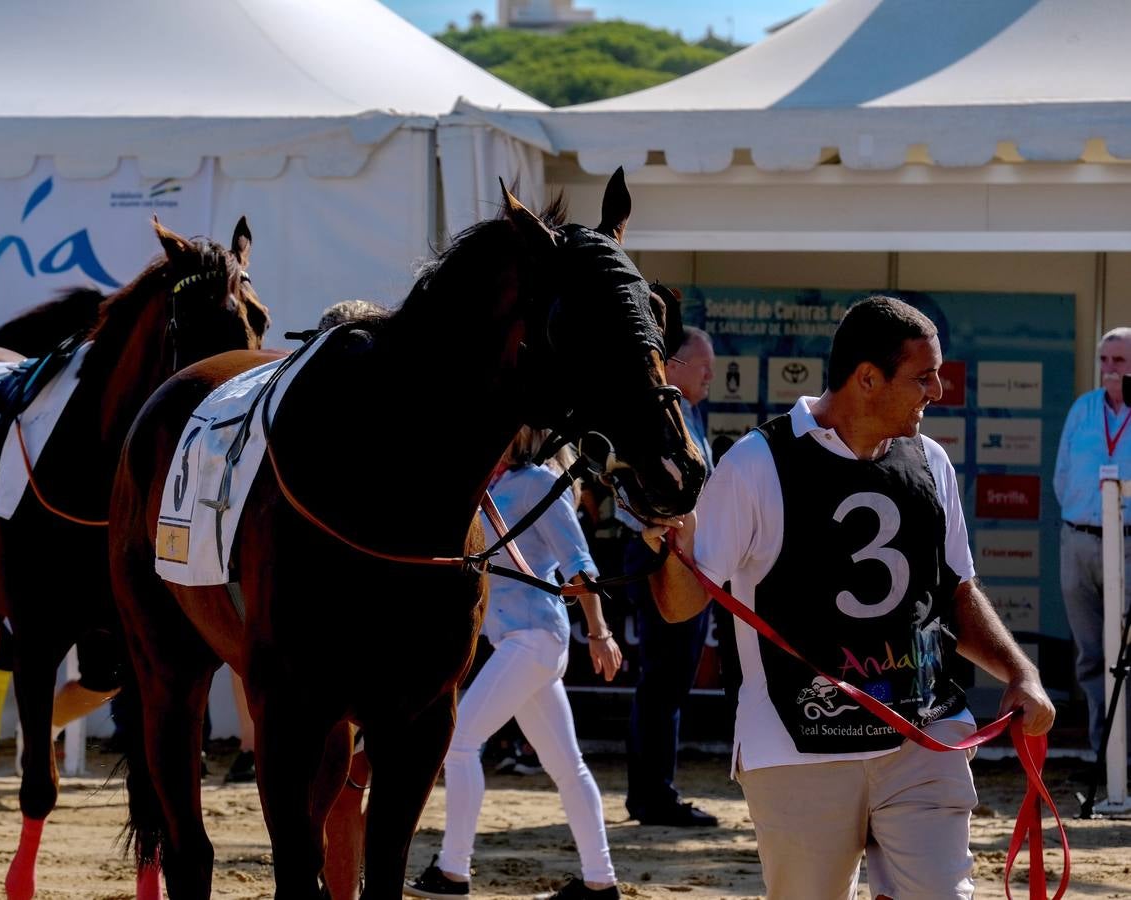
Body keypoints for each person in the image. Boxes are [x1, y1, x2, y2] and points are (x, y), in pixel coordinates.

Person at [649, 296, 1054, 899]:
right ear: (867, 378)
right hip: (796, 748)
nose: (938, 391)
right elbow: (680, 605)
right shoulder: (757, 464)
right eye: (924, 376)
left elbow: (956, 591)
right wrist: (674, 549)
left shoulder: (931, 461)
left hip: (925, 735)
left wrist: (1020, 673)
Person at [407, 427, 624, 900]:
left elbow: (578, 561)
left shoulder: (538, 483)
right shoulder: (491, 484)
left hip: (534, 636)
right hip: (520, 638)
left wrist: (599, 631)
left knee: (461, 742)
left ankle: (453, 872)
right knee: (569, 767)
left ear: (527, 434)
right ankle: (600, 882)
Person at [621, 311, 718, 827]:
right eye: (703, 366)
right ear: (673, 364)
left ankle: (656, 789)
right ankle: (653, 795)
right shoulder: (653, 414)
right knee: (661, 682)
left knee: (671, 683)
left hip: (692, 562)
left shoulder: (691, 416)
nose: (710, 376)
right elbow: (629, 491)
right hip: (662, 557)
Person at [1054, 325, 1131, 750]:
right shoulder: (1083, 408)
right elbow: (1062, 477)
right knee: (1090, 655)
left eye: (1118, 360)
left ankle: (1128, 756)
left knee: (1127, 655)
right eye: (1104, 360)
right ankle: (1104, 753)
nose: (1109, 369)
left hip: (1129, 544)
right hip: (1079, 541)